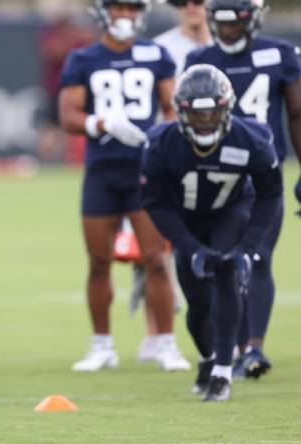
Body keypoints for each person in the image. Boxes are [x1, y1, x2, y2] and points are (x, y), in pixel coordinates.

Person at [58, 0, 189, 372]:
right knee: (99, 261)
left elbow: (171, 108)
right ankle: (102, 345)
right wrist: (101, 123)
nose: (126, 16)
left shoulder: (156, 54)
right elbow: (68, 115)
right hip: (102, 171)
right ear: (104, 12)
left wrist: (162, 141)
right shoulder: (83, 59)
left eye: (133, 9)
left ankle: (164, 342)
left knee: (156, 259)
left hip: (146, 171)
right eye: (119, 8)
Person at [141, 64, 282, 401]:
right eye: (197, 115)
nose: (205, 122)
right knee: (198, 304)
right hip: (186, 219)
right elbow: (156, 204)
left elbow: (270, 194)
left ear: (227, 108)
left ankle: (222, 371)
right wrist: (189, 246)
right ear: (181, 112)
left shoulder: (251, 139)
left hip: (230, 211)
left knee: (226, 269)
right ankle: (207, 358)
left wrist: (248, 247)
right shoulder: (161, 144)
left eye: (212, 113)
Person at [185, 0, 301, 379]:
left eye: (236, 23)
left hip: (263, 170)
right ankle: (230, 349)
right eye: (221, 23)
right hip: (217, 173)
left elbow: (297, 114)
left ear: (252, 20)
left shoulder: (280, 53)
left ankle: (253, 348)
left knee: (259, 257)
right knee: (222, 261)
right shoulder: (200, 58)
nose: (228, 30)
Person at [124, 0, 214, 365]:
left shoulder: (229, 43)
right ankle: (156, 335)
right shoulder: (161, 47)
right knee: (157, 248)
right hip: (175, 157)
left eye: (201, 2)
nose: (193, 8)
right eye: (186, 2)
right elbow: (161, 106)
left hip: (220, 158)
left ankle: (237, 341)